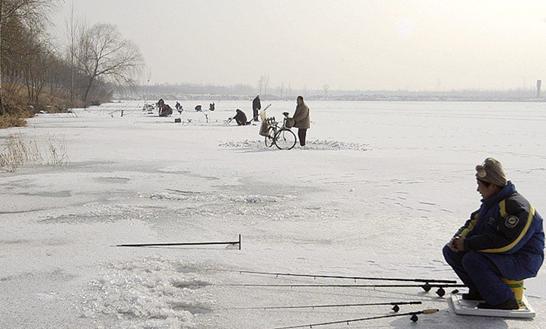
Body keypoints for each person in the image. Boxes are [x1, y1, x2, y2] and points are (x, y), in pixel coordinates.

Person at [443, 158, 544, 310]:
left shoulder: (516, 207)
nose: (478, 190)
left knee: (473, 259)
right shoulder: (491, 203)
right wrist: (458, 240)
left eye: (479, 185)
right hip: (505, 256)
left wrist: (468, 244)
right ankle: (482, 291)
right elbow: (472, 225)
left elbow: (508, 244)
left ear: (492, 185)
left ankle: (504, 300)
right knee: (451, 252)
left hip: (523, 259)